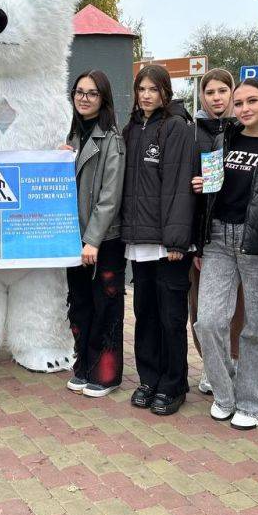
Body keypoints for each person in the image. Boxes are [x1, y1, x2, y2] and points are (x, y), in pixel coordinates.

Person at [193, 78, 258, 430]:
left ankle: (254, 403)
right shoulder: (225, 140)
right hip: (219, 239)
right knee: (208, 320)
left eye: (252, 101)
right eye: (238, 103)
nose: (244, 109)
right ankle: (225, 393)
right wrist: (200, 236)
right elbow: (210, 193)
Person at [122, 65, 195, 416]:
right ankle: (148, 379)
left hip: (168, 245)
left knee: (170, 317)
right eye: (141, 89)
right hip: (139, 242)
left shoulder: (177, 127)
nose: (146, 95)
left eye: (153, 89)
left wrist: (177, 243)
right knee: (145, 314)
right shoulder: (133, 128)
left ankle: (173, 383)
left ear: (165, 91)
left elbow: (180, 186)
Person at [62, 70, 126, 398]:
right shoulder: (69, 138)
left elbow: (110, 196)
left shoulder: (111, 139)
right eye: (79, 92)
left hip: (103, 240)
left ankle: (107, 373)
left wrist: (93, 240)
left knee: (107, 307)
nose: (84, 98)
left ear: (103, 99)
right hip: (72, 238)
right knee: (80, 305)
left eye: (92, 93)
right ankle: (84, 365)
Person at [189, 68, 244, 396]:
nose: (217, 98)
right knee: (202, 307)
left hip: (239, 233)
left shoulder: (244, 129)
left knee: (238, 306)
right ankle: (212, 365)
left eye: (223, 91)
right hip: (203, 234)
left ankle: (233, 361)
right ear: (202, 96)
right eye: (210, 92)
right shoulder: (192, 132)